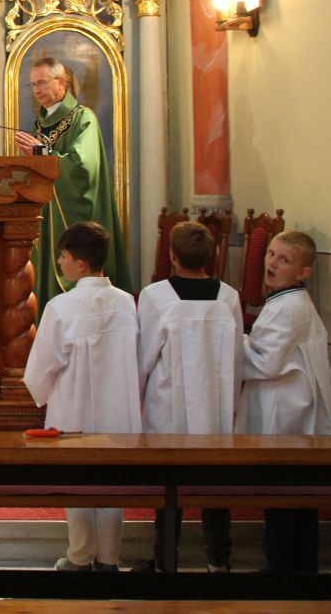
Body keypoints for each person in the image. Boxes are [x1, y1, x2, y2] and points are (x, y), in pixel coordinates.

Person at [24, 221, 139, 572]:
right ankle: (109, 558)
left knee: (78, 480)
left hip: (73, 406)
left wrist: (41, 394)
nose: (59, 262)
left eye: (63, 256)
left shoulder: (61, 306)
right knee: (112, 481)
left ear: (80, 263)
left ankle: (79, 556)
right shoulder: (126, 303)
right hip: (117, 406)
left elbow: (43, 364)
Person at [136, 221, 243, 573]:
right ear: (211, 256)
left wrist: (136, 397)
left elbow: (144, 355)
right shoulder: (228, 296)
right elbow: (237, 356)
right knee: (216, 484)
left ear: (172, 256)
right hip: (216, 404)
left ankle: (166, 562)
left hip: (169, 405)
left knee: (169, 487)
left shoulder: (156, 296)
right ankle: (219, 562)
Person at [238, 230, 331, 575]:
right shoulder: (286, 300)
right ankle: (295, 569)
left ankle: (282, 571)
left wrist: (235, 340)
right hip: (288, 408)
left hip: (287, 414)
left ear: (303, 272)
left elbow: (265, 362)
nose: (272, 263)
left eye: (284, 260)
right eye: (271, 254)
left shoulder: (288, 307)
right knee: (293, 496)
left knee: (284, 493)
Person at [14, 57, 131, 305]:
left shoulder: (83, 118)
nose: (36, 90)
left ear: (61, 82)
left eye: (42, 82)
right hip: (46, 214)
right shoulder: (42, 124)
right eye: (33, 84)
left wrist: (42, 153)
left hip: (69, 214)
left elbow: (82, 168)